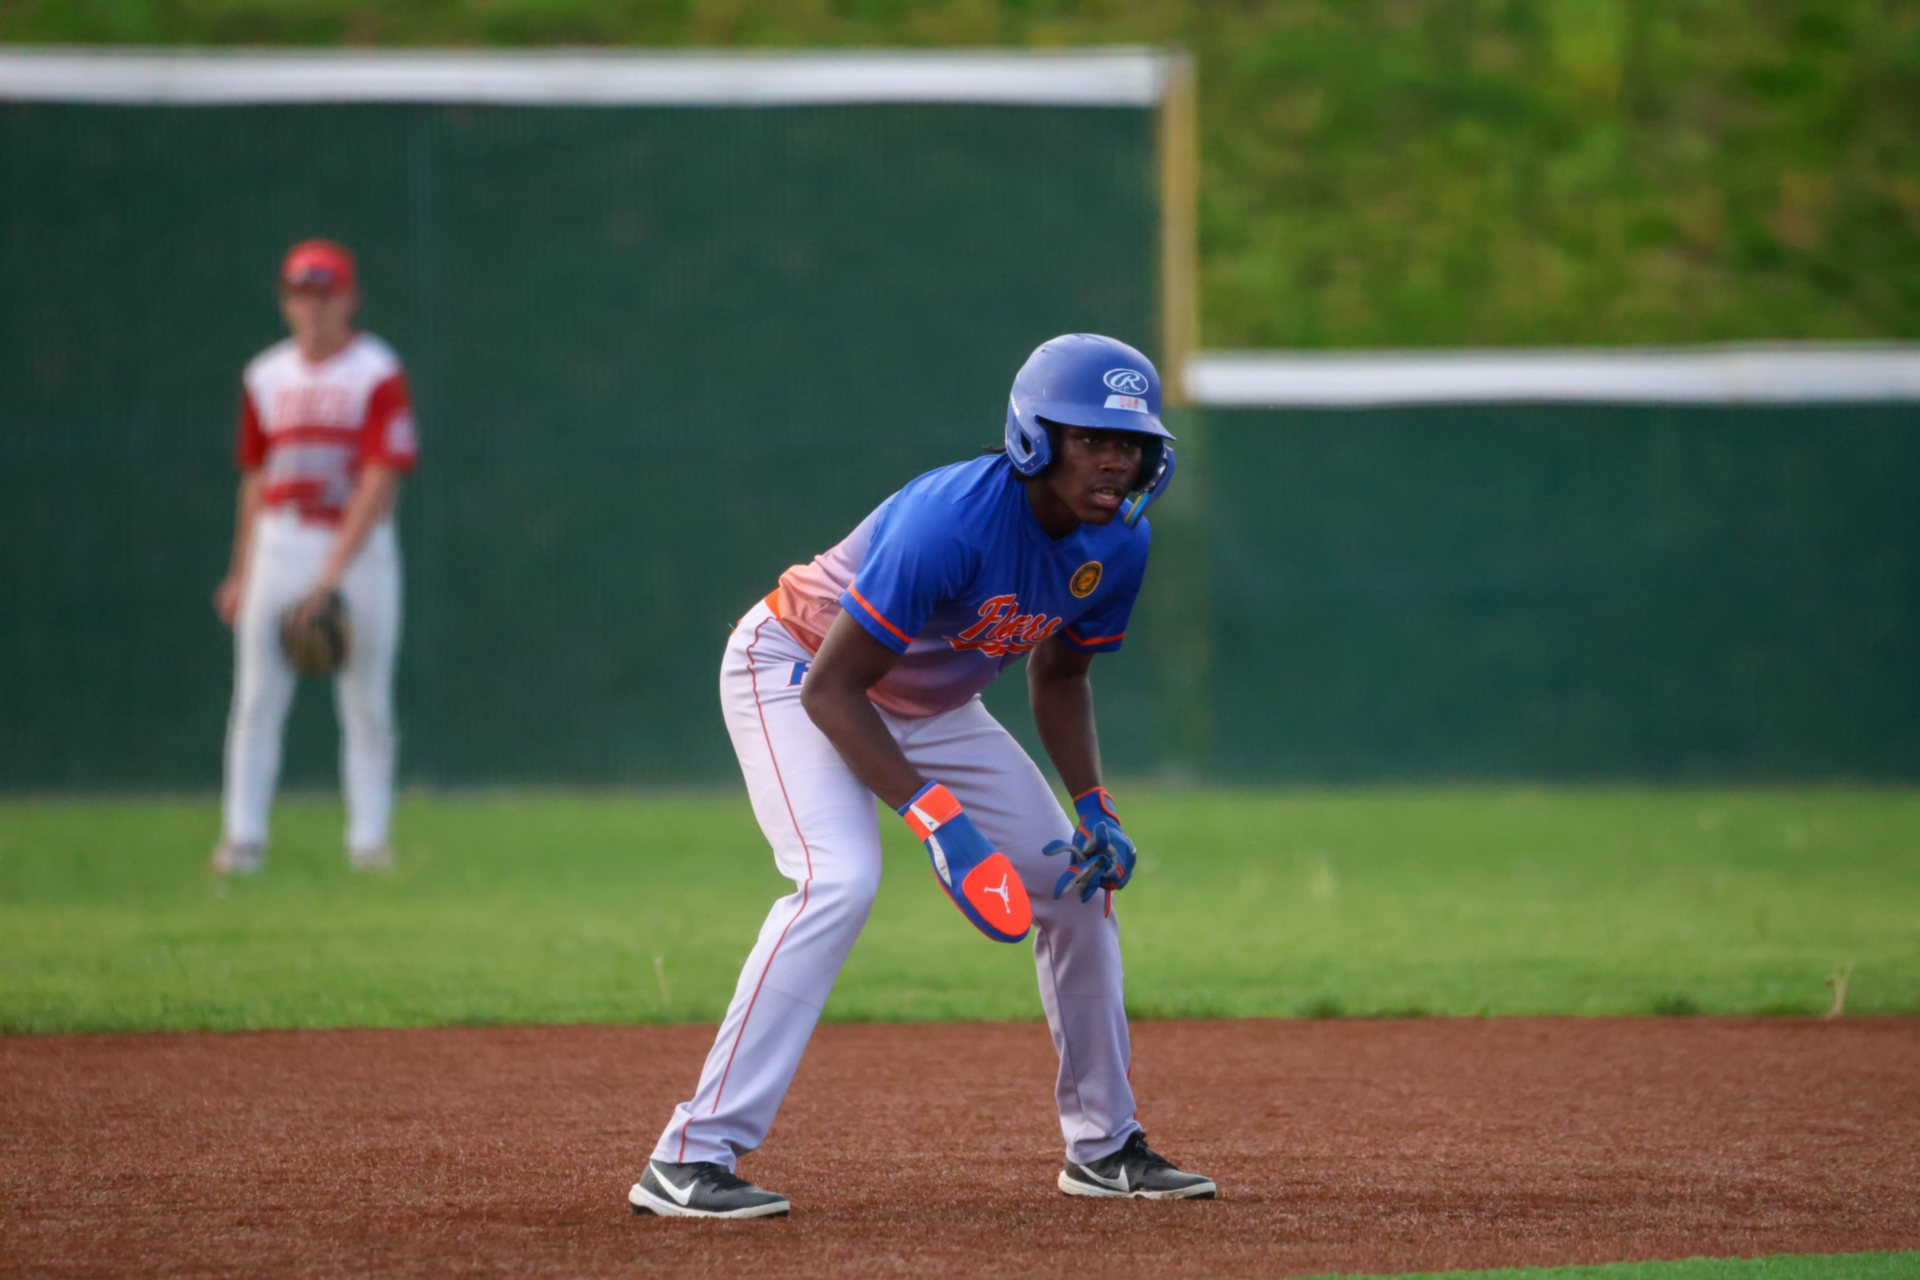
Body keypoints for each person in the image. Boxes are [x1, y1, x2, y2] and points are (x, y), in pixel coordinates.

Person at [628, 334, 1214, 1219]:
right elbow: (832, 688)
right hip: (795, 667)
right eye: (1091, 436)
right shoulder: (952, 520)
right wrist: (937, 819)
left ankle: (1104, 1146)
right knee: (840, 879)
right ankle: (690, 1154)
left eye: (1131, 443)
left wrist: (1096, 806)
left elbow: (1060, 675)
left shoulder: (1120, 543)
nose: (1114, 459)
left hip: (929, 702)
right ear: (1036, 437)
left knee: (1076, 885)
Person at [209, 239, 418, 875]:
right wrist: (241, 570)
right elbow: (255, 476)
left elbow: (381, 476)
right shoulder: (264, 375)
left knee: (367, 703)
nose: (313, 307)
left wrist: (330, 576)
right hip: (281, 539)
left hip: (359, 548)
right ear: (285, 302)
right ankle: (242, 839)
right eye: (302, 294)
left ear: (350, 299)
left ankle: (369, 842)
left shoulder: (376, 371)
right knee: (255, 699)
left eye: (325, 294)